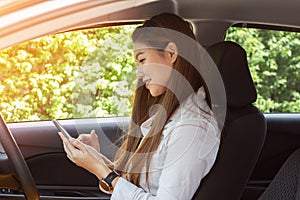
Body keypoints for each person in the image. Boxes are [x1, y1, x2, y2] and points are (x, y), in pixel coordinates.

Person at [58, 12, 220, 200]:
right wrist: (98, 161)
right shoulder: (172, 115)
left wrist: (104, 173)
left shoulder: (191, 128)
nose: (139, 73)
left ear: (171, 53)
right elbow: (143, 187)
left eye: (142, 60)